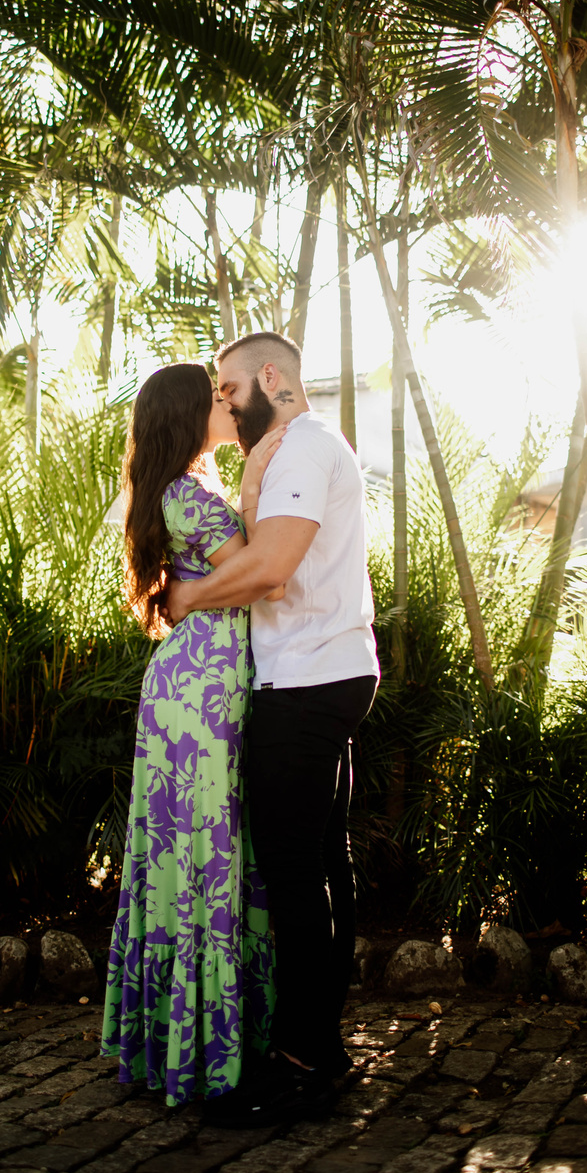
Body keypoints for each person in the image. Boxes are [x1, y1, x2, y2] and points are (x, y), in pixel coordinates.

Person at [166, 331, 380, 1126]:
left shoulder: (302, 450)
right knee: (322, 867)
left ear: (267, 378)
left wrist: (184, 598)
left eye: (227, 387)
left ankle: (301, 1061)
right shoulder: (298, 449)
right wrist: (252, 482)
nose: (222, 401)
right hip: (328, 671)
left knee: (294, 875)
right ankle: (321, 1046)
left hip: (304, 682)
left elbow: (269, 568)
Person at [100, 361, 285, 1107]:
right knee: (206, 852)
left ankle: (188, 1038)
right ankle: (208, 1049)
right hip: (203, 688)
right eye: (215, 396)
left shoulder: (181, 490)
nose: (227, 402)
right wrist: (254, 480)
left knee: (194, 852)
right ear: (186, 414)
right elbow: (262, 574)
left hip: (193, 681)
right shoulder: (187, 494)